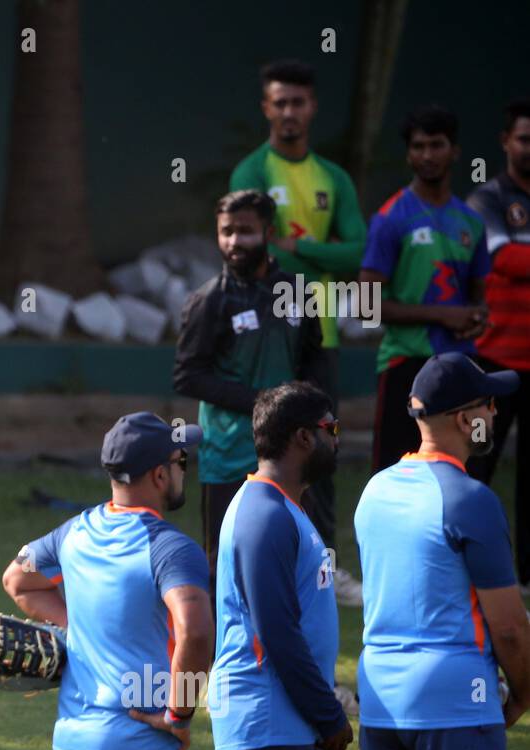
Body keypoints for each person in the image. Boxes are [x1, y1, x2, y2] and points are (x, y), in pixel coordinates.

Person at [1, 412, 212, 750]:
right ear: (160, 473)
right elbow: (195, 631)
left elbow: (17, 579)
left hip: (74, 744)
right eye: (181, 463)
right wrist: (179, 712)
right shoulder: (171, 549)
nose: (182, 474)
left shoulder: (73, 531)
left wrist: (76, 624)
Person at [354, 353, 530, 750]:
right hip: (454, 698)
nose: (495, 414)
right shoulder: (472, 501)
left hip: (382, 694)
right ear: (462, 418)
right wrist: (522, 694)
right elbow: (511, 630)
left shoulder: (375, 490)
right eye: (488, 405)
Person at [230, 58, 368, 607]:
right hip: (268, 337)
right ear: (266, 108)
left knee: (323, 452)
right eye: (279, 102)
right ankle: (262, 562)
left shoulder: (332, 178)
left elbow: (357, 249)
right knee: (263, 449)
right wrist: (307, 254)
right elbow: (247, 248)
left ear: (312, 108)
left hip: (321, 334)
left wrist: (298, 248)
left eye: (298, 102)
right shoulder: (252, 172)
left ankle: (325, 569)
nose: (289, 112)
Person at [210, 382, 352, 750]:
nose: (338, 439)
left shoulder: (287, 509)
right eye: (332, 428)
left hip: (291, 715)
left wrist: (318, 717)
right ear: (302, 438)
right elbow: (275, 630)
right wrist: (328, 715)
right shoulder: (262, 514)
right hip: (264, 711)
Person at [173, 190, 328, 592]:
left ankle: (294, 649)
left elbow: (313, 355)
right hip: (228, 456)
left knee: (298, 558)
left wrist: (309, 405)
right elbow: (188, 376)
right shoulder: (210, 301)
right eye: (226, 232)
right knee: (224, 565)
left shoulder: (295, 290)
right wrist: (264, 403)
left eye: (245, 231)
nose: (233, 242)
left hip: (291, 453)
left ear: (269, 233)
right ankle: (221, 653)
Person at [361, 105, 492, 474]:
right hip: (406, 364)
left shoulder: (472, 222)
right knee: (396, 473)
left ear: (455, 151)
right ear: (408, 153)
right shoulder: (390, 217)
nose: (427, 155)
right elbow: (366, 306)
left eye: (436, 145)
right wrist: (442, 314)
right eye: (418, 146)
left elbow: (479, 299)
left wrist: (477, 319)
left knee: (467, 472)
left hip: (463, 366)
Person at [467, 99, 530, 591]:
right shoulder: (487, 200)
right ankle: (462, 569)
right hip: (494, 360)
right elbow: (503, 258)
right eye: (524, 138)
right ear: (506, 142)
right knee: (475, 468)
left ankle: (524, 575)